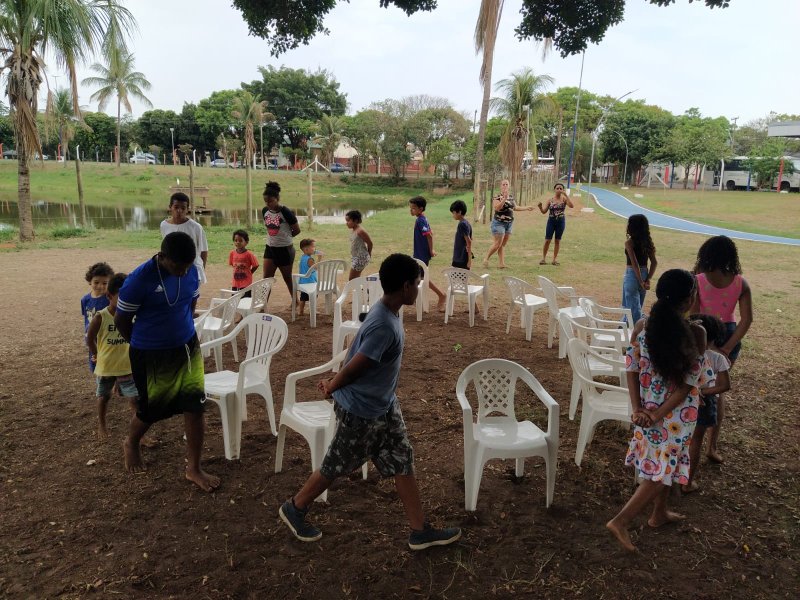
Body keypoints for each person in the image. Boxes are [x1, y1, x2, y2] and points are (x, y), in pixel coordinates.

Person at [277, 253, 462, 550]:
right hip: (361, 411)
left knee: (402, 459)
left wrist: (335, 380)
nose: (419, 288)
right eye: (417, 283)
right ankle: (295, 507)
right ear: (405, 286)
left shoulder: (386, 311)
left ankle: (419, 530)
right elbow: (358, 364)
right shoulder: (384, 325)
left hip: (384, 405)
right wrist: (333, 385)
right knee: (336, 464)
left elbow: (357, 347)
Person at [606, 269, 707, 552]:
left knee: (664, 465)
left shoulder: (642, 326)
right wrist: (658, 413)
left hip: (649, 410)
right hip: (675, 415)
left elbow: (631, 367)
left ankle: (658, 513)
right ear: (689, 299)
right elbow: (688, 384)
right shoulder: (696, 332)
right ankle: (621, 521)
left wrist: (639, 408)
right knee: (659, 472)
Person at [114, 232, 219, 493]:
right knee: (152, 410)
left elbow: (190, 304)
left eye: (187, 266)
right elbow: (121, 322)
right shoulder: (139, 281)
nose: (183, 272)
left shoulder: (192, 271)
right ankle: (131, 442)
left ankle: (193, 468)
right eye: (177, 267)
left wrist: (180, 332)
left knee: (195, 406)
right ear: (162, 257)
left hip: (186, 346)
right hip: (151, 352)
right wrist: (144, 343)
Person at [690, 235, 752, 464]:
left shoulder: (698, 279)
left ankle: (693, 438)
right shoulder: (740, 282)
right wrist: (726, 348)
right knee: (717, 389)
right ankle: (712, 446)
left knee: (702, 386)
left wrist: (711, 347)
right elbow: (747, 320)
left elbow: (695, 316)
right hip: (729, 334)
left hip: (704, 335)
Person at [86, 273, 138, 439]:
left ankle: (139, 434)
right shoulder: (101, 317)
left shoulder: (132, 315)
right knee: (104, 396)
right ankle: (102, 424)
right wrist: (96, 354)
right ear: (109, 296)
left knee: (134, 399)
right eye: (121, 297)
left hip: (127, 365)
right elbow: (89, 339)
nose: (126, 301)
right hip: (107, 366)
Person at [683, 314, 731, 494]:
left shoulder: (686, 355)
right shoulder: (718, 358)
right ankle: (688, 482)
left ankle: (674, 476)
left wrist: (695, 391)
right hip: (704, 402)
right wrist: (703, 392)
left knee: (683, 439)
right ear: (714, 337)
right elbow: (725, 386)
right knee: (696, 441)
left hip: (683, 400)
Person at [262, 181, 301, 299]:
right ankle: (262, 305)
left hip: (285, 250)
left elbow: (297, 230)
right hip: (270, 248)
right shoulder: (265, 211)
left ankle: (296, 302)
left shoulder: (286, 212)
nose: (268, 204)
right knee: (266, 279)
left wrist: (285, 238)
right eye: (266, 201)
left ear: (277, 198)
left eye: (271, 201)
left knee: (287, 278)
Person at [160, 192, 209, 284]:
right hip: (173, 268)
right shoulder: (164, 225)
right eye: (176, 207)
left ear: (187, 209)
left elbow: (204, 251)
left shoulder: (196, 227)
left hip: (193, 267)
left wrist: (201, 269)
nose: (179, 211)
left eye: (183, 208)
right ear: (170, 207)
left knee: (191, 296)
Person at [483, 179, 533, 269]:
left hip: (509, 224)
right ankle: (486, 258)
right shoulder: (497, 197)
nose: (505, 186)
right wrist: (504, 199)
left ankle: (501, 264)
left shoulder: (511, 197)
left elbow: (515, 207)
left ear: (509, 186)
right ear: (500, 186)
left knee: (502, 245)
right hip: (498, 223)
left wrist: (527, 208)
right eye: (503, 184)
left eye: (507, 184)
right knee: (497, 244)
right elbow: (497, 208)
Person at [409, 196, 446, 310]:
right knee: (419, 277)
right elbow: (430, 233)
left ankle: (441, 295)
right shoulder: (421, 218)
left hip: (422, 254)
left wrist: (431, 250)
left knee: (421, 277)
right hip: (419, 253)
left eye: (413, 208)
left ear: (421, 209)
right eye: (410, 208)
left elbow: (429, 235)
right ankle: (415, 298)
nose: (411, 210)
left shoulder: (421, 220)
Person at [622, 214, 658, 324]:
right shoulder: (648, 243)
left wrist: (641, 281)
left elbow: (634, 264)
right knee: (636, 307)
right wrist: (647, 279)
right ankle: (623, 329)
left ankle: (636, 336)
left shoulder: (629, 243)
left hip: (633, 275)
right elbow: (654, 263)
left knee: (632, 310)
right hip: (644, 274)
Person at [81, 262, 113, 372]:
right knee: (97, 366)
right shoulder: (85, 300)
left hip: (107, 338)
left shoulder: (110, 299)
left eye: (105, 283)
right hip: (92, 339)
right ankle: (102, 387)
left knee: (110, 366)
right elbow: (86, 318)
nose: (100, 286)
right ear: (90, 281)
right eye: (96, 282)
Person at [537, 183, 574, 266]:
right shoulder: (550, 200)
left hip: (560, 222)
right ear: (554, 190)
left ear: (563, 190)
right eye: (557, 188)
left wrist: (566, 195)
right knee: (547, 240)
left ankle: (554, 259)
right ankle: (543, 259)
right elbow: (544, 212)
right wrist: (540, 207)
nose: (559, 190)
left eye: (561, 188)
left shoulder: (564, 199)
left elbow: (572, 206)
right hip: (551, 221)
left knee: (557, 240)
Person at [229, 229, 260, 294]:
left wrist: (250, 273)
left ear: (246, 242)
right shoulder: (232, 253)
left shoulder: (249, 254)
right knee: (235, 299)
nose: (238, 242)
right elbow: (233, 264)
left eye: (240, 240)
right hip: (235, 282)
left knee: (246, 300)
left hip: (246, 283)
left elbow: (256, 265)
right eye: (236, 240)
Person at [345, 210, 373, 280]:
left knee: (352, 279)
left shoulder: (360, 231)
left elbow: (370, 243)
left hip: (361, 258)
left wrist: (369, 253)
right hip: (356, 257)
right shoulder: (354, 230)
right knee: (356, 279)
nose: (346, 223)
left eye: (348, 221)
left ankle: (364, 289)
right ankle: (364, 290)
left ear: (355, 220)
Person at [297, 238, 321, 317]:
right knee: (313, 297)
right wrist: (320, 258)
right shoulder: (310, 259)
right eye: (313, 247)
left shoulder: (303, 257)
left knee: (303, 298)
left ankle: (301, 311)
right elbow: (316, 268)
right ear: (306, 249)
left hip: (303, 281)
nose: (315, 249)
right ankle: (312, 310)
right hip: (310, 282)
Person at [450, 199, 473, 270]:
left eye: (453, 213)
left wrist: (469, 260)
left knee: (457, 279)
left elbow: (469, 241)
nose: (453, 215)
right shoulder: (466, 223)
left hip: (461, 258)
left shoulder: (462, 224)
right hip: (461, 257)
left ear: (459, 212)